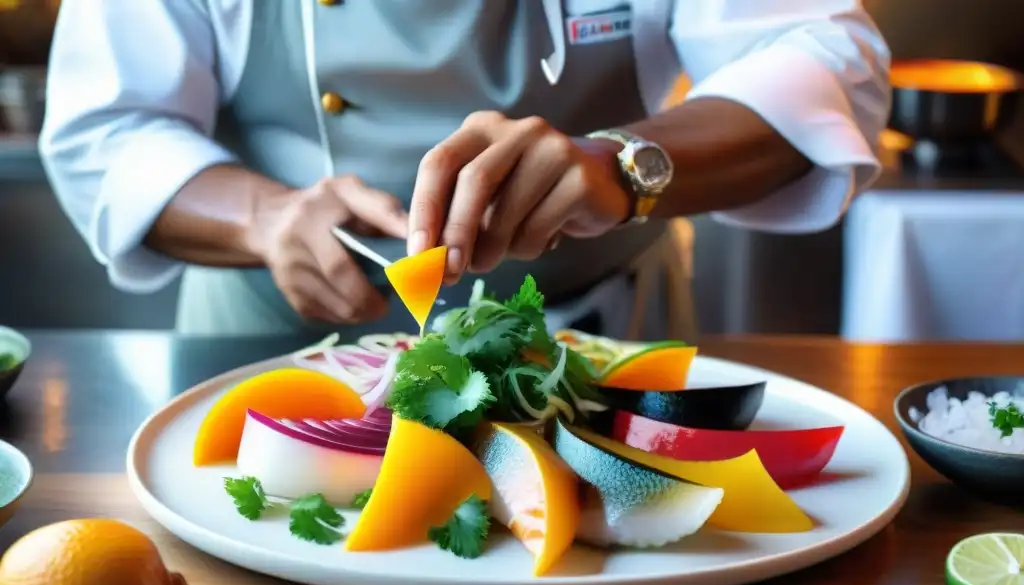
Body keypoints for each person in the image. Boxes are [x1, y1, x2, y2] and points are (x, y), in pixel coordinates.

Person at [39, 1, 890, 341]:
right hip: (270, 347)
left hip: (601, 335)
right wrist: (266, 219)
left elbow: (827, 58)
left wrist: (621, 165)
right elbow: (105, 126)